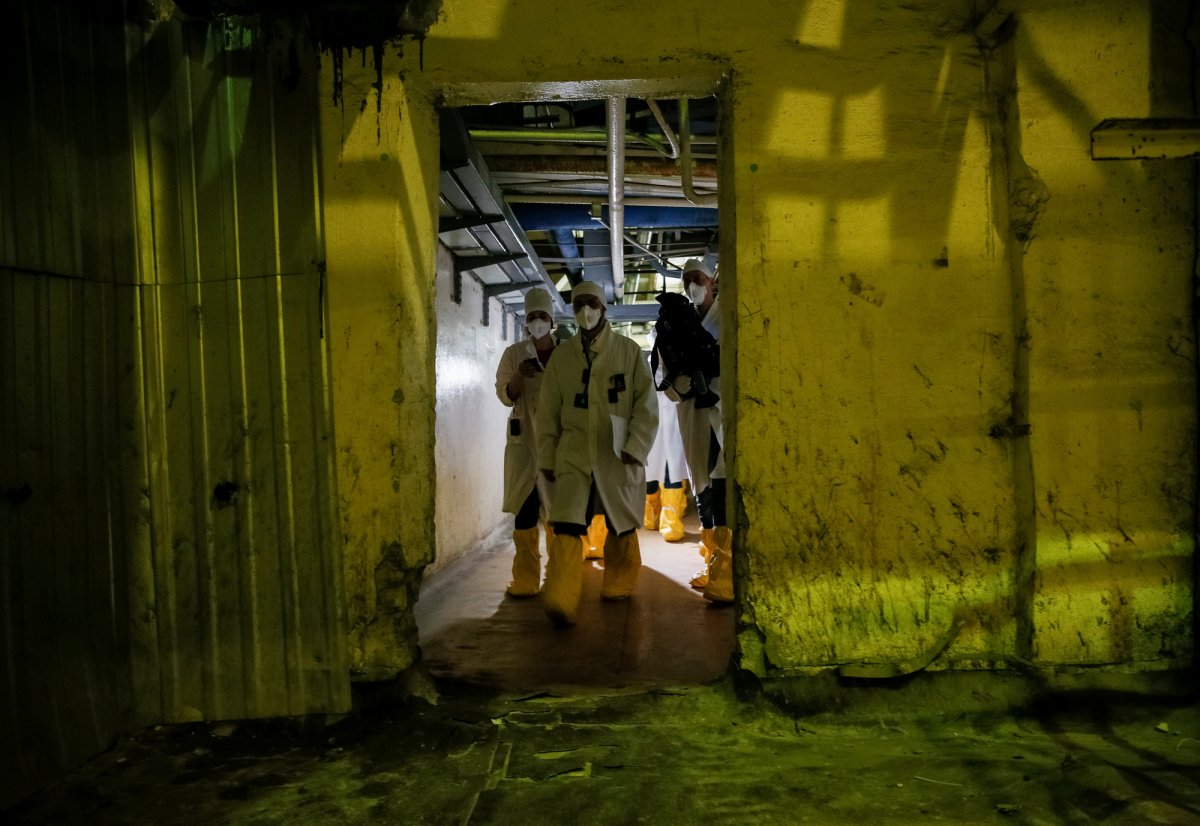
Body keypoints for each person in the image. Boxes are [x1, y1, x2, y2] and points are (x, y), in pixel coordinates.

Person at [536, 280, 659, 626]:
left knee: (620, 523)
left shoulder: (628, 352)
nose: (585, 312)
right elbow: (546, 413)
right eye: (578, 306)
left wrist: (636, 446)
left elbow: (646, 406)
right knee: (567, 522)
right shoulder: (562, 356)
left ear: (603, 308)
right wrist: (546, 457)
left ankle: (619, 580)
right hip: (573, 452)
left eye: (591, 303)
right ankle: (560, 596)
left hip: (616, 452)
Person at [494, 287, 558, 597]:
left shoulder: (565, 353)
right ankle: (525, 577)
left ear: (551, 320)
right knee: (525, 507)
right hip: (523, 441)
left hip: (555, 439)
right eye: (532, 317)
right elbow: (505, 396)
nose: (537, 322)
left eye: (542, 317)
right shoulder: (514, 354)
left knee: (558, 510)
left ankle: (559, 573)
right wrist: (519, 376)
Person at [675, 258, 732, 603]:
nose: (691, 286)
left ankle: (725, 575)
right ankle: (712, 566)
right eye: (686, 281)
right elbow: (666, 377)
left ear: (711, 281)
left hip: (722, 411)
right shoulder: (678, 324)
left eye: (696, 279)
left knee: (722, 488)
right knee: (704, 494)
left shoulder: (729, 314)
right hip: (694, 413)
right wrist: (686, 379)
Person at [644, 387, 689, 541]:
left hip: (673, 399)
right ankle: (653, 515)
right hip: (651, 399)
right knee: (651, 462)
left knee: (672, 462)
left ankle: (670, 521)